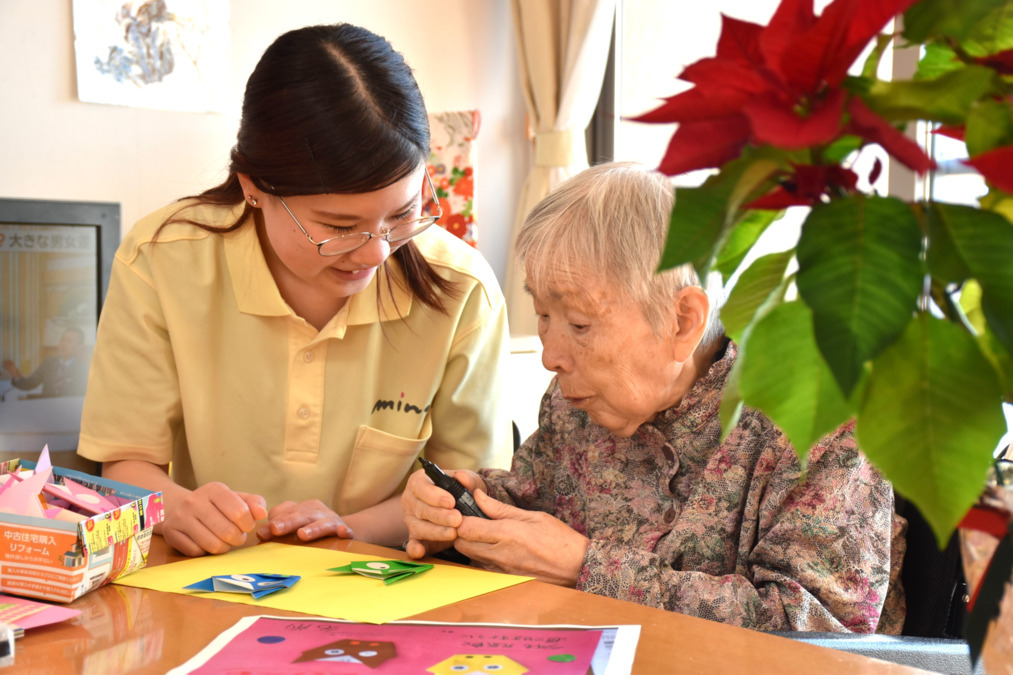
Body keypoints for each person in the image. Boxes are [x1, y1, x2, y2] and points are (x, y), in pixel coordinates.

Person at [402, 163, 906, 633]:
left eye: (579, 324)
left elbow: (815, 625)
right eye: (542, 315)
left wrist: (584, 566)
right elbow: (537, 499)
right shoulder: (577, 400)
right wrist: (465, 508)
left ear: (682, 320)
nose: (550, 356)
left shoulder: (817, 415)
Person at [77, 24, 513, 558]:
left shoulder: (460, 289)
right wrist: (175, 508)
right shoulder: (161, 259)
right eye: (338, 225)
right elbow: (124, 461)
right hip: (208, 582)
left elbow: (469, 486)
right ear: (253, 186)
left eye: (403, 214)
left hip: (387, 592)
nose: (377, 252)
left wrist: (353, 528)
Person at [2, 327, 88, 398]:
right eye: (62, 340)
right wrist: (16, 375)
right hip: (48, 409)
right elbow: (30, 384)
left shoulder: (84, 368)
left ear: (79, 347)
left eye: (69, 341)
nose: (64, 344)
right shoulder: (49, 363)